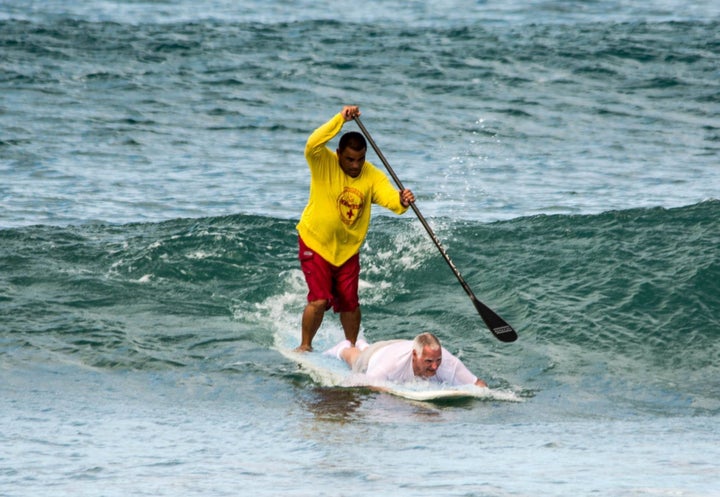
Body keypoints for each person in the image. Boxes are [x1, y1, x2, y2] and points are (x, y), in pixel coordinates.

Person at [296, 105, 415, 352]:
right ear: (338, 153)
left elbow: (389, 198)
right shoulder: (323, 161)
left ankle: (351, 348)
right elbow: (312, 142)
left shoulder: (371, 175)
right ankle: (305, 347)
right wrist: (340, 119)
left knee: (350, 303)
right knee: (319, 300)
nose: (355, 165)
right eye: (349, 159)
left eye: (360, 159)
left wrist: (402, 201)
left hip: (348, 250)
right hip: (315, 242)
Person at [326, 332, 488, 388]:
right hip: (377, 355)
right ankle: (343, 348)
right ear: (415, 355)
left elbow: (478, 384)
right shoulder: (392, 363)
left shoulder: (447, 361)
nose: (435, 366)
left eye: (437, 360)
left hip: (400, 345)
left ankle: (364, 344)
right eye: (429, 361)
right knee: (356, 359)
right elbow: (365, 383)